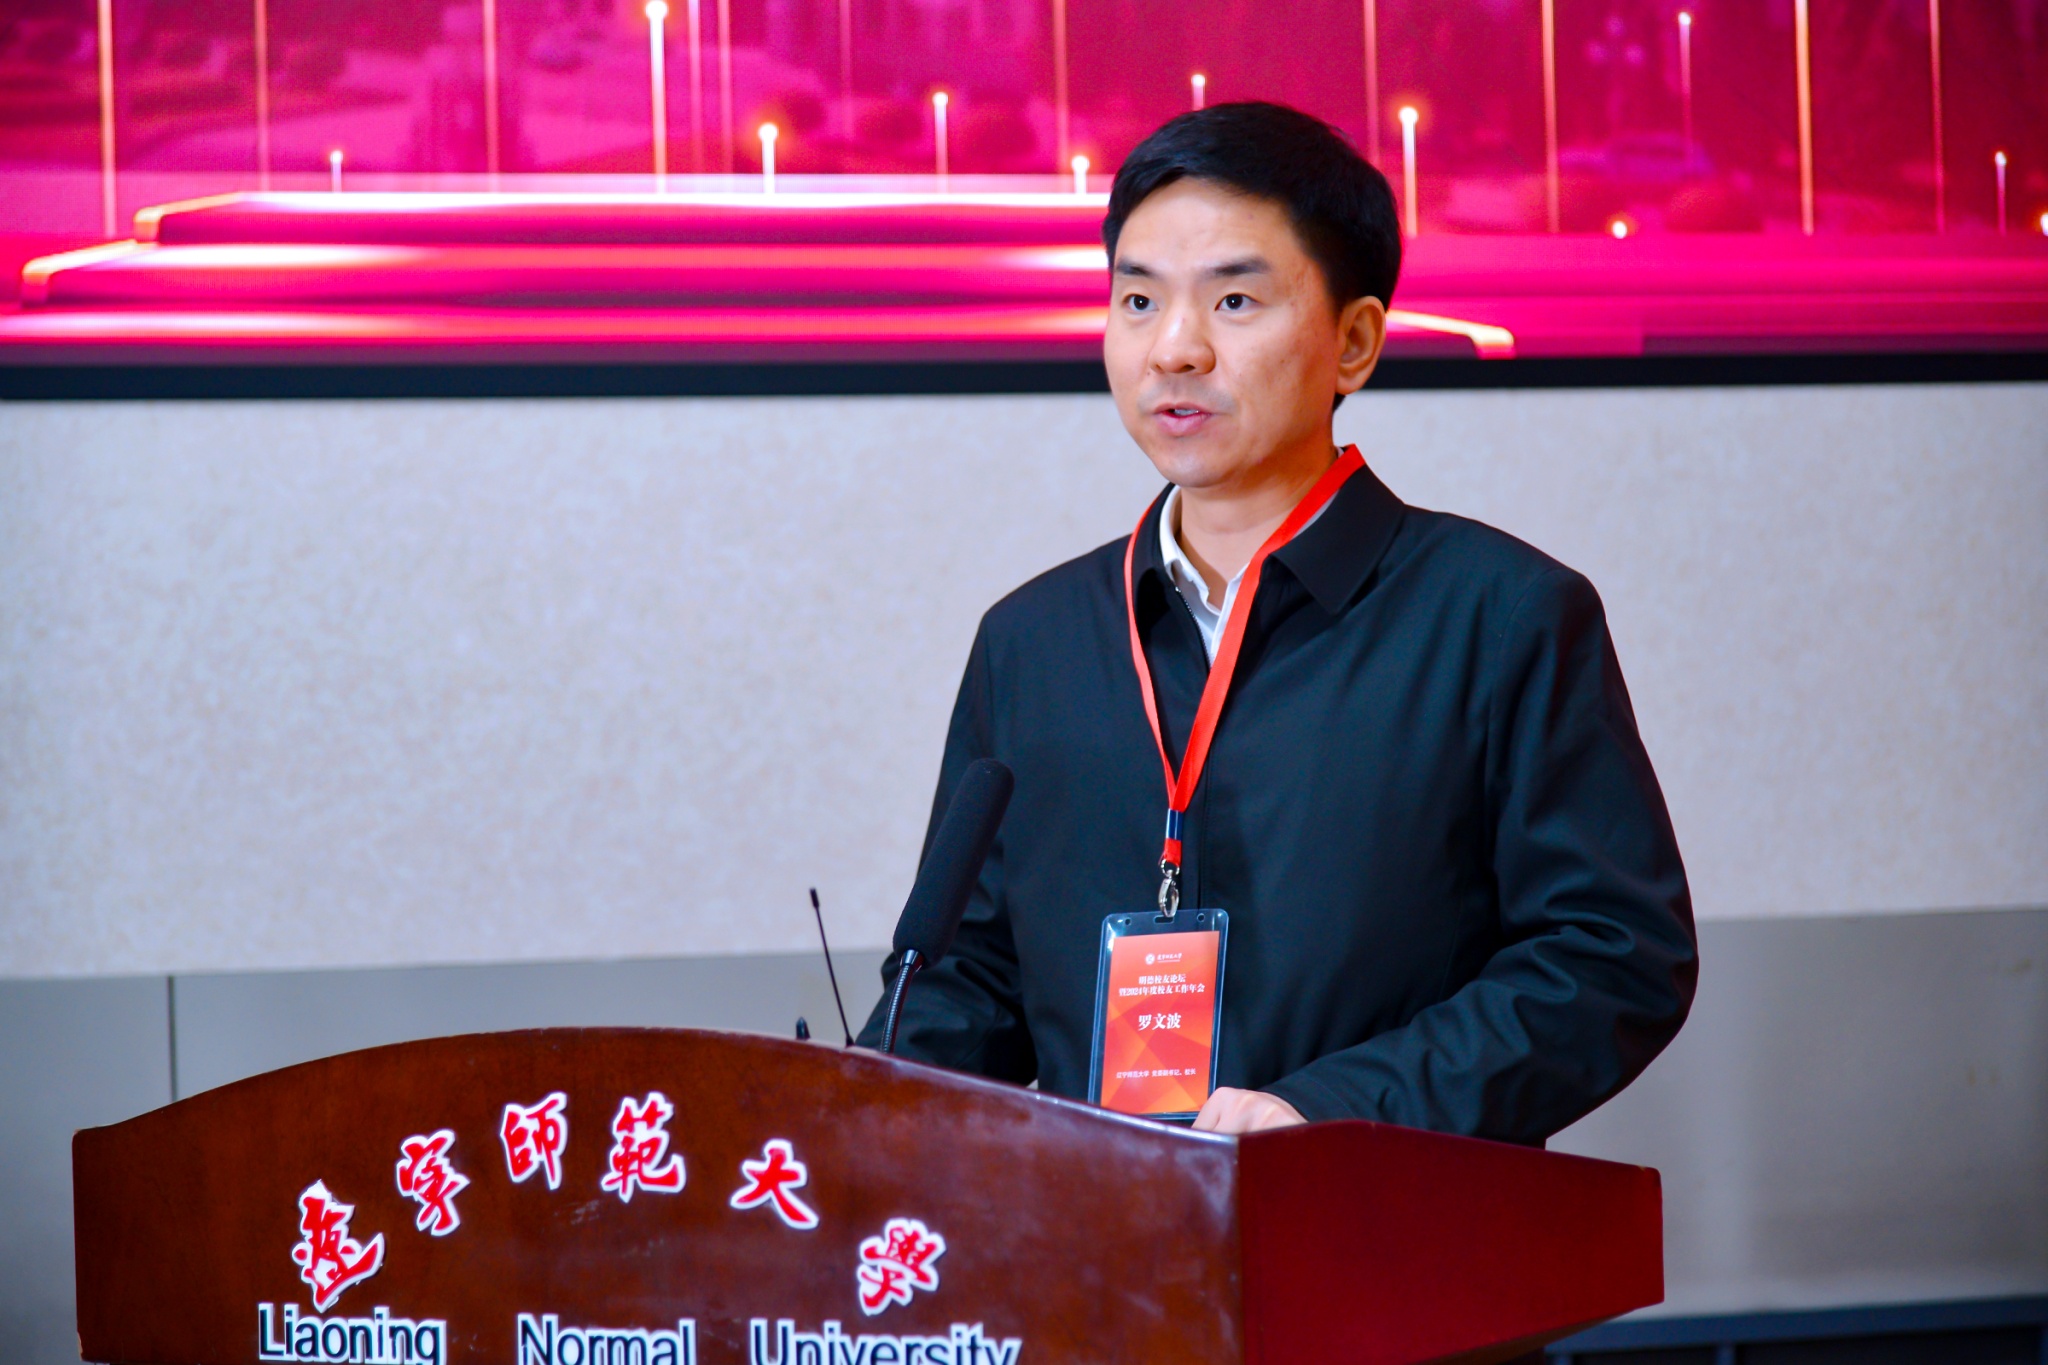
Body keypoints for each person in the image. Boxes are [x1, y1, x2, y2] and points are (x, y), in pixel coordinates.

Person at [857, 102, 1697, 1142]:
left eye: (1235, 300)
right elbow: (970, 979)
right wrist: (852, 1111)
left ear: (1355, 341)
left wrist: (1331, 1112)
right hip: (1107, 1232)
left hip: (1378, 1219)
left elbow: (1610, 955)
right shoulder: (1031, 641)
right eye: (1136, 299)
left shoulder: (1498, 615)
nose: (1175, 349)